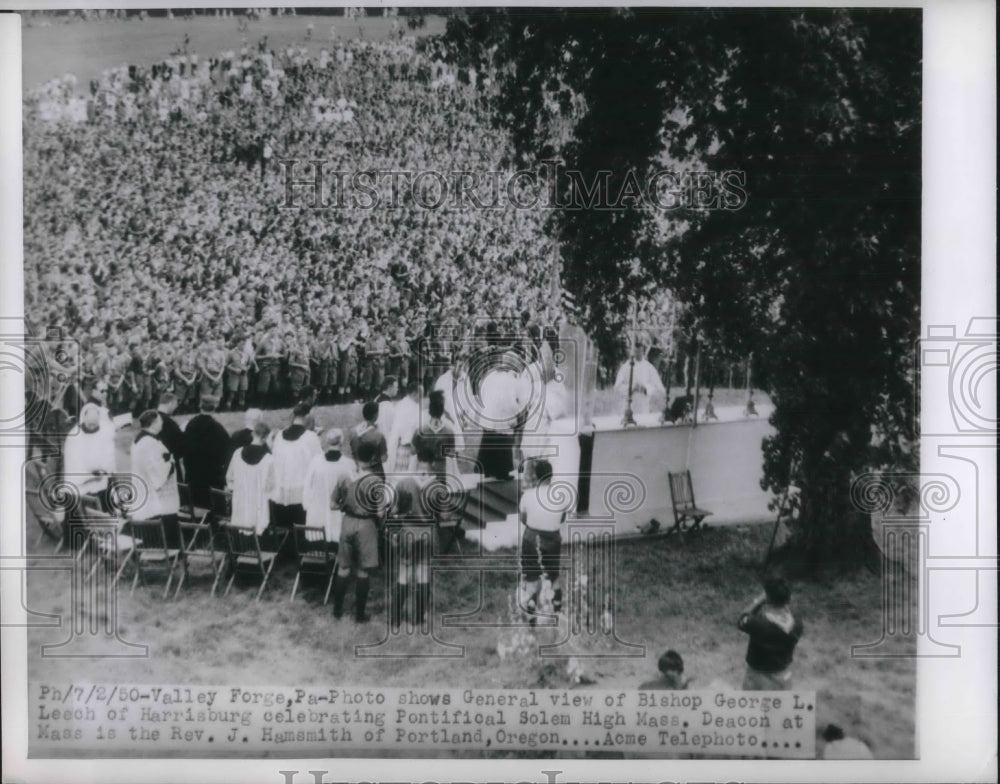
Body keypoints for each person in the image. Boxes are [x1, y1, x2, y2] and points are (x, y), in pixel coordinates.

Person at [330, 441, 386, 622]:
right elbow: (380, 511)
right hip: (366, 525)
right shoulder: (376, 481)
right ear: (372, 459)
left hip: (347, 522)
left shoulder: (343, 476)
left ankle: (337, 610)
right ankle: (360, 615)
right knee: (363, 570)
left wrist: (345, 505)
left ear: (356, 457)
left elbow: (332, 504)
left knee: (343, 568)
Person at [387, 440, 438, 630]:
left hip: (408, 533)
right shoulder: (437, 486)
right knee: (423, 574)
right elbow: (443, 514)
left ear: (417, 461)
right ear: (432, 463)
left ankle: (395, 618)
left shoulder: (404, 482)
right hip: (426, 534)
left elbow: (393, 511)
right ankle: (417, 618)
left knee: (403, 575)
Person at [518, 459, 571, 623]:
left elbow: (523, 518)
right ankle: (556, 614)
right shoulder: (561, 496)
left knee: (532, 580)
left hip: (532, 539)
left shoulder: (527, 495)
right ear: (551, 476)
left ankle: (531, 618)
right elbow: (562, 518)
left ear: (536, 476)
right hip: (553, 539)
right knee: (553, 578)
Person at [737, 576, 804, 691]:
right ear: (789, 598)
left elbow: (742, 619)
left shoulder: (758, 623)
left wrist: (758, 601)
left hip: (757, 675)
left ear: (767, 598)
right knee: (781, 706)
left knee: (751, 706)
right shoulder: (797, 622)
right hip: (782, 674)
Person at [130, 410, 181, 548]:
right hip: (153, 488)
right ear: (154, 423)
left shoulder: (140, 439)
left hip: (143, 484)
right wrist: (169, 462)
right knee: (162, 514)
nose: (162, 423)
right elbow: (156, 470)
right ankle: (166, 547)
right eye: (160, 421)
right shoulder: (149, 443)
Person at [270, 403, 322, 530]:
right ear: (308, 416)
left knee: (285, 528)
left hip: (280, 493)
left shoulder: (279, 436)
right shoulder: (311, 437)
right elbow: (319, 464)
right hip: (302, 495)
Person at [302, 428, 353, 544]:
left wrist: (308, 506)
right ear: (341, 442)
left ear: (327, 442)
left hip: (318, 510)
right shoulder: (348, 464)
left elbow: (307, 486)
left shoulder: (315, 461)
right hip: (337, 511)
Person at [62, 402, 116, 510]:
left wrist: (104, 469)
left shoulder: (103, 433)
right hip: (81, 484)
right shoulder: (74, 436)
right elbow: (73, 463)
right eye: (89, 424)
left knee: (106, 496)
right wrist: (91, 475)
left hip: (100, 481)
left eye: (94, 424)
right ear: (83, 418)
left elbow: (110, 455)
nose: (92, 427)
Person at [182, 394, 232, 508]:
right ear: (215, 407)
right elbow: (227, 450)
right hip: (211, 478)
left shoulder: (190, 424)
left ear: (200, 406)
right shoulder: (217, 428)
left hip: (193, 475)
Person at [225, 420, 275, 535]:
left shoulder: (237, 453)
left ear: (253, 434)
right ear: (266, 437)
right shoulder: (268, 459)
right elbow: (272, 486)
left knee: (242, 528)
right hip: (259, 504)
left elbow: (229, 477)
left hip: (241, 502)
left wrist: (237, 488)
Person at [614, 332, 666, 418]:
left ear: (643, 352)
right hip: (628, 404)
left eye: (640, 351)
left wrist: (646, 388)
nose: (638, 354)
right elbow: (617, 387)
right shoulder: (626, 367)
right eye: (635, 351)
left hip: (644, 404)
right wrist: (631, 388)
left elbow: (659, 387)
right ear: (632, 351)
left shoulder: (649, 367)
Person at [387, 379, 420, 473]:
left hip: (403, 445)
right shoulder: (410, 407)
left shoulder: (401, 404)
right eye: (420, 394)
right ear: (415, 393)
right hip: (407, 446)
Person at [350, 401, 388, 481]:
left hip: (358, 471)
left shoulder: (353, 431)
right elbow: (384, 458)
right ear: (376, 415)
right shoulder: (379, 435)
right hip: (375, 473)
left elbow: (353, 452)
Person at [155, 392, 185, 483]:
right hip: (169, 462)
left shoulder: (152, 418)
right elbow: (180, 443)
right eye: (175, 404)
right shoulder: (169, 422)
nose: (175, 408)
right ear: (170, 403)